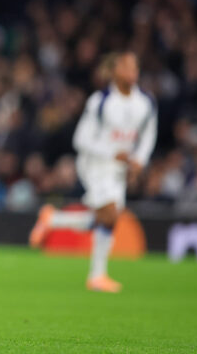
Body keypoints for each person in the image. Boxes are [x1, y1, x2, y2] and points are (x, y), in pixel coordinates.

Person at [29, 51, 157, 293]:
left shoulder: (146, 103)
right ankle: (97, 276)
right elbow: (81, 139)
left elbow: (149, 135)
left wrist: (139, 159)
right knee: (109, 214)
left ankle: (53, 220)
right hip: (95, 164)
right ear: (114, 71)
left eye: (135, 68)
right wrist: (112, 152)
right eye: (126, 68)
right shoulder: (101, 101)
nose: (132, 73)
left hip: (119, 168)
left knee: (107, 219)